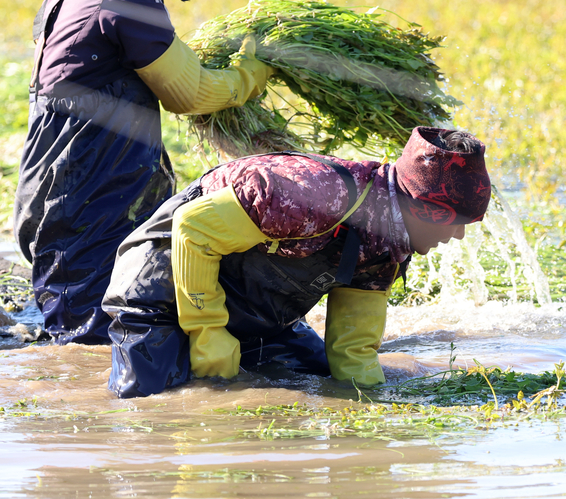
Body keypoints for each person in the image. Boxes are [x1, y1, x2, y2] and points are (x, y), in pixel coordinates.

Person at [13, 0, 272, 345]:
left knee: (76, 323)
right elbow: (188, 93)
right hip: (94, 185)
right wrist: (248, 75)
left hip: (49, 184)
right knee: (99, 339)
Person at [102, 126, 491, 398]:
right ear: (424, 208)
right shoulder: (314, 194)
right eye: (455, 222)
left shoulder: (387, 246)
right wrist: (207, 332)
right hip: (160, 291)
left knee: (319, 377)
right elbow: (192, 230)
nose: (456, 236)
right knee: (157, 406)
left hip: (258, 319)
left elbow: (352, 352)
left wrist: (381, 410)